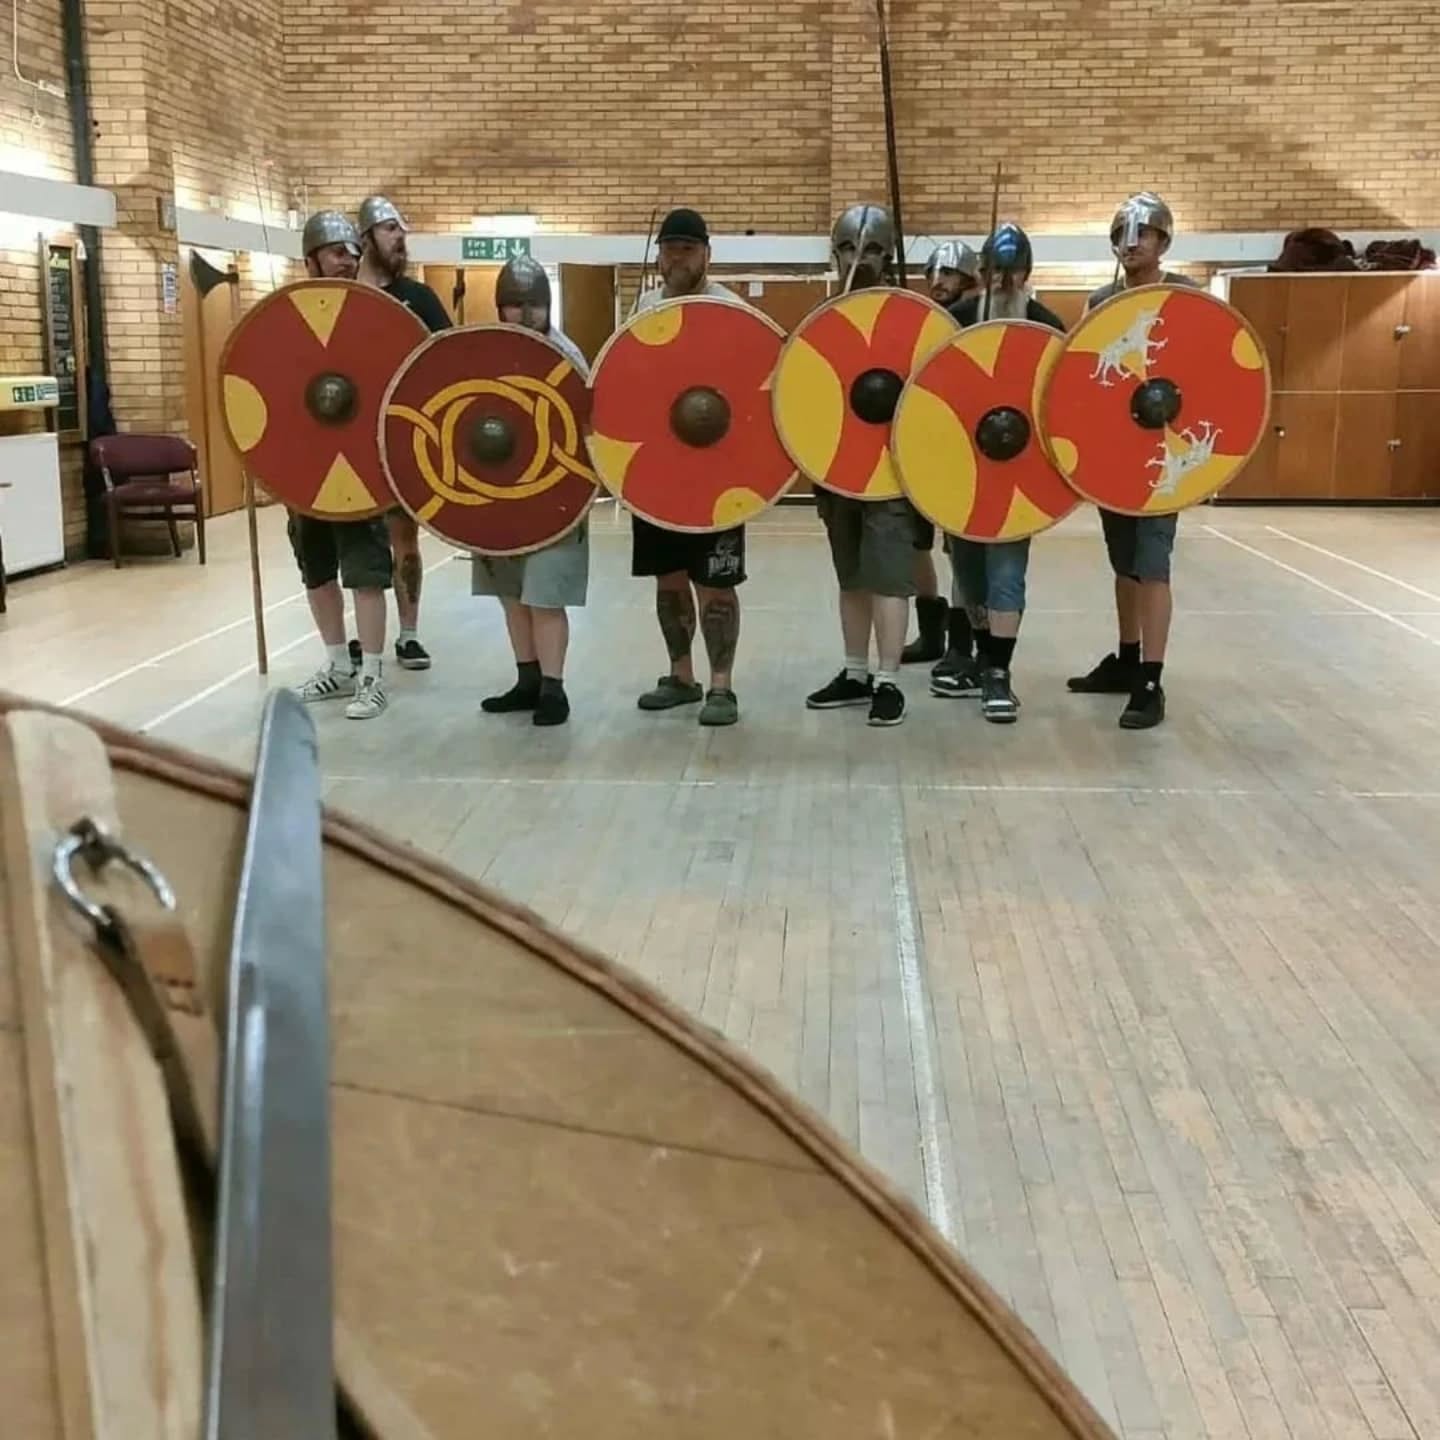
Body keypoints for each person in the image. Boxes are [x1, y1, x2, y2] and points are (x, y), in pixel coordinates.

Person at [1067, 191, 1198, 730]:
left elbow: (1208, 375)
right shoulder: (1102, 302)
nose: (1131, 241)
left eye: (1142, 232)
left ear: (1163, 240)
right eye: (1123, 231)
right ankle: (1126, 658)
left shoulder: (1190, 299)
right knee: (1124, 563)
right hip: (1117, 451)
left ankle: (1150, 679)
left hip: (1167, 452)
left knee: (1152, 565)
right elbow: (1089, 383)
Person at [935, 224, 1066, 724]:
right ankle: (982, 653)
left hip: (1019, 465)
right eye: (994, 270)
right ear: (983, 273)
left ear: (1026, 274)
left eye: (1012, 271)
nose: (1003, 280)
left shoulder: (1044, 324)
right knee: (968, 576)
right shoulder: (957, 319)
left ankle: (998, 674)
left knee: (1006, 577)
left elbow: (1062, 400)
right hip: (963, 467)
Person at [629, 206, 745, 727]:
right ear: (658, 254)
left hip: (718, 473)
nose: (677, 257)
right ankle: (681, 676)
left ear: (707, 255)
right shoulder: (643, 310)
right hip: (657, 471)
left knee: (716, 583)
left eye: (688, 248)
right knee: (668, 581)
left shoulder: (732, 313)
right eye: (670, 247)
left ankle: (721, 686)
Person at [804, 202, 918, 728]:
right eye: (851, 247)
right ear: (837, 252)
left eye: (872, 249)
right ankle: (855, 673)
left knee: (890, 578)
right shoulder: (825, 321)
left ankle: (889, 680)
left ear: (888, 255)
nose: (861, 258)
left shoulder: (910, 317)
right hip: (840, 467)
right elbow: (806, 396)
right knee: (851, 576)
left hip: (893, 472)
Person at [472, 257, 590, 726]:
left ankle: (554, 689)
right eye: (514, 305)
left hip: (553, 493)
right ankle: (527, 679)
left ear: (549, 305)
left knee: (545, 593)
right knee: (511, 592)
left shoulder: (567, 358)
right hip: (498, 493)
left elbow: (582, 433)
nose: (525, 314)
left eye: (534, 305)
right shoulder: (484, 354)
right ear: (500, 308)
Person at [290, 211, 393, 720]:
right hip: (307, 460)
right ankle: (337, 662)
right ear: (312, 260)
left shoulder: (373, 313)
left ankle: (371, 672)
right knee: (315, 568)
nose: (349, 260)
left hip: (357, 461)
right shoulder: (287, 319)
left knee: (365, 570)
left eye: (353, 252)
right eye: (337, 252)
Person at [355, 195, 451, 673]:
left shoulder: (419, 298)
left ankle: (408, 634)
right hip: (346, 438)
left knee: (403, 538)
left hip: (399, 437)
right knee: (351, 542)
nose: (400, 239)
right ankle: (361, 635)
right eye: (390, 229)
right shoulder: (341, 297)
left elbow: (449, 362)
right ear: (366, 237)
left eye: (402, 231)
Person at [902, 240, 984, 671]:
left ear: (968, 279)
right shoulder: (920, 320)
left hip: (963, 450)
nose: (938, 281)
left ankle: (960, 642)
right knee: (917, 544)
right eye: (934, 273)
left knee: (961, 551)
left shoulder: (979, 322)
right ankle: (931, 634)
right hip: (920, 444)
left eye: (949, 274)